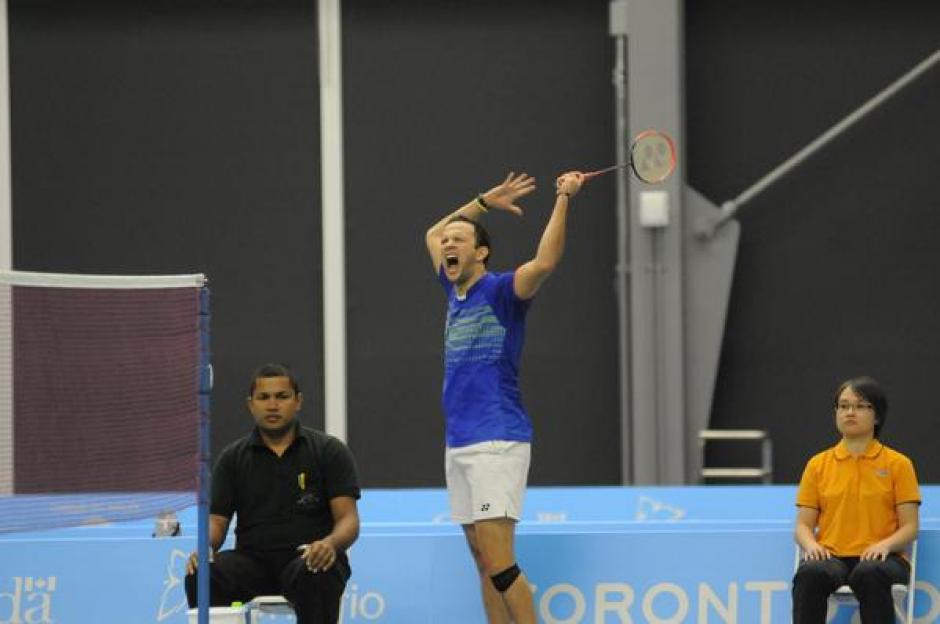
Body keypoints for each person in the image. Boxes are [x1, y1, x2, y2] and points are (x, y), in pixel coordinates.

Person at [424, 170, 584, 624]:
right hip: (459, 442)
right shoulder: (451, 290)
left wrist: (564, 198)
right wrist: (482, 202)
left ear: (482, 253)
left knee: (499, 562)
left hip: (497, 438)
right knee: (480, 558)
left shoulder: (502, 292)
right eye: (449, 242)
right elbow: (432, 232)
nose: (449, 244)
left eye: (461, 240)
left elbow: (545, 262)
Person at [185, 363, 361, 623]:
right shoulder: (232, 458)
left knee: (319, 568)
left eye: (282, 396)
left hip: (308, 558)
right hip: (251, 562)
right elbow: (217, 520)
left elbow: (348, 519)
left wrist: (329, 544)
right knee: (202, 573)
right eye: (264, 397)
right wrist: (205, 546)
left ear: (298, 401)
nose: (272, 405)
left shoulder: (329, 451)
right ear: (251, 404)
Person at [792, 376, 920, 623]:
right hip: (833, 557)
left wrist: (885, 545)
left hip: (884, 559)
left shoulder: (898, 464)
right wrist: (811, 545)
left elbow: (910, 527)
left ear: (877, 416)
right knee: (810, 573)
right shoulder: (817, 465)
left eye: (861, 406)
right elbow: (803, 526)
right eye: (843, 405)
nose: (850, 412)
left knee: (869, 573)